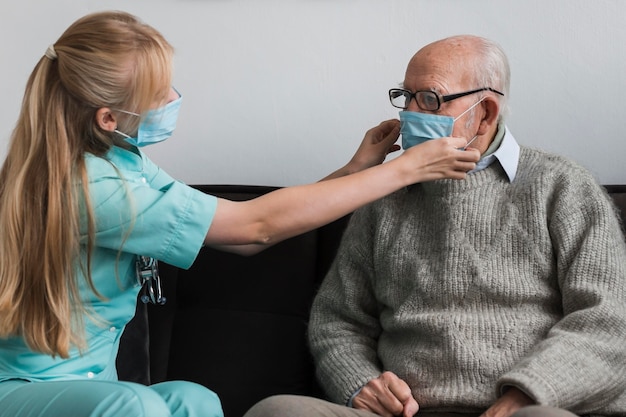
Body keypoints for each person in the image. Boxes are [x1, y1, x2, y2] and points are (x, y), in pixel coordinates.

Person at [0, 12, 482, 417]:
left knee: (195, 401)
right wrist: (406, 170)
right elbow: (257, 226)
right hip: (22, 390)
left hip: (94, 388)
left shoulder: (125, 162)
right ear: (108, 118)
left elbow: (251, 228)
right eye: (159, 93)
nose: (173, 100)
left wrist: (356, 169)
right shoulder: (88, 187)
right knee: (136, 407)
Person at [243, 35, 626, 417]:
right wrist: (360, 383)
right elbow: (337, 320)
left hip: (526, 407)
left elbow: (608, 320)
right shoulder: (385, 194)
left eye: (428, 98)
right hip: (405, 414)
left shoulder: (562, 186)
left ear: (486, 111)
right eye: (405, 96)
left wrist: (525, 395)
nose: (409, 111)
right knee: (276, 411)